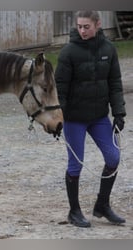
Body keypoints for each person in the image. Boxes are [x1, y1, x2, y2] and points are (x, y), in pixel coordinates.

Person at [55, 11, 126, 228]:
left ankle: (102, 206)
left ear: (98, 24)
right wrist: (59, 119)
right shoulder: (68, 53)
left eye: (86, 26)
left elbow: (115, 83)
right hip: (74, 119)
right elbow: (60, 89)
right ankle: (74, 211)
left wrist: (119, 113)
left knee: (113, 158)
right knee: (75, 165)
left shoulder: (108, 49)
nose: (82, 31)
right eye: (79, 26)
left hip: (98, 117)